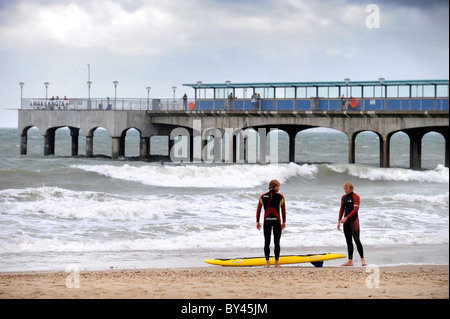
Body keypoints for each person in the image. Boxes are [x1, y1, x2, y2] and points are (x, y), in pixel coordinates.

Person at [256, 179, 286, 268]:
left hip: (267, 220)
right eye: (278, 186)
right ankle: (276, 263)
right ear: (275, 186)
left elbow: (258, 210)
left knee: (267, 241)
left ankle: (267, 263)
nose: (279, 188)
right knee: (277, 242)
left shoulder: (263, 196)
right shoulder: (280, 196)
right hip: (277, 221)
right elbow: (283, 210)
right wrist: (284, 221)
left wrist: (257, 221)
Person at [337, 182, 366, 266]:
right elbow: (341, 210)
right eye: (344, 189)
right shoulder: (343, 197)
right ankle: (350, 261)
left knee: (356, 240)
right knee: (348, 241)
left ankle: (362, 259)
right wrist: (339, 221)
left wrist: (346, 217)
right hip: (346, 222)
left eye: (346, 189)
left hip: (354, 221)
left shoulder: (356, 197)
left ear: (351, 188)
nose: (345, 190)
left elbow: (355, 210)